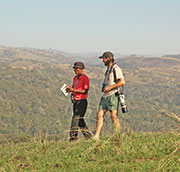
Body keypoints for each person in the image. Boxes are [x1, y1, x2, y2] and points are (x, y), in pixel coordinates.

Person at [93, 51, 126, 140]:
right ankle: (96, 135)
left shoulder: (116, 68)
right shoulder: (108, 69)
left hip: (113, 94)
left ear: (108, 59)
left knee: (113, 116)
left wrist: (110, 87)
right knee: (100, 114)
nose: (102, 61)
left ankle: (117, 134)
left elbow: (122, 82)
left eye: (103, 59)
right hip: (105, 95)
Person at [66, 61, 93, 141]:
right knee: (80, 119)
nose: (74, 70)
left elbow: (85, 91)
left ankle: (73, 137)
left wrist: (73, 90)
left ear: (81, 69)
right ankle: (89, 137)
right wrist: (70, 90)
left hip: (82, 101)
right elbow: (75, 89)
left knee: (76, 118)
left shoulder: (85, 78)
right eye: (74, 68)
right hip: (76, 100)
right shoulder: (75, 78)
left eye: (76, 68)